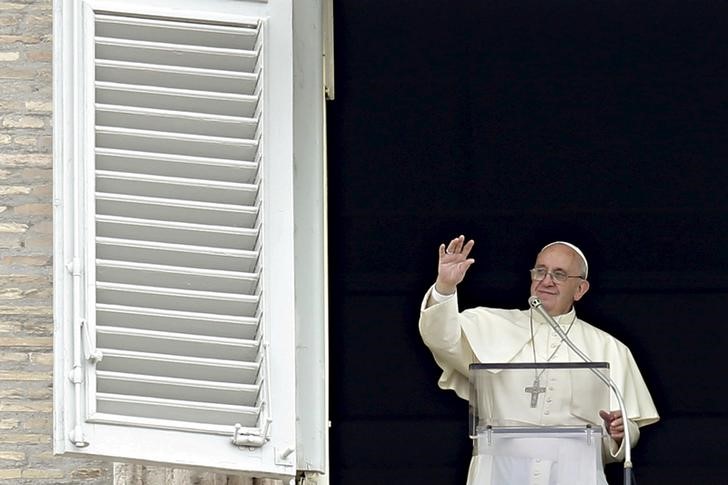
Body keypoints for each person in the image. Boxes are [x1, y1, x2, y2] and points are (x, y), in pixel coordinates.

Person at [419, 235, 659, 485]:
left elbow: (626, 428)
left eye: (559, 274)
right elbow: (441, 338)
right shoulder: (492, 325)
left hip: (576, 475)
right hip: (498, 472)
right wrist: (444, 287)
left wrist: (621, 433)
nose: (546, 281)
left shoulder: (608, 348)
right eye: (540, 271)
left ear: (580, 289)